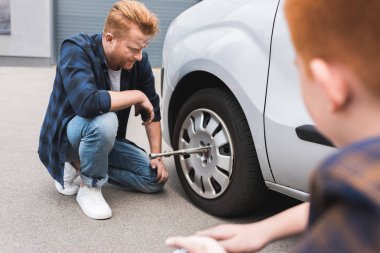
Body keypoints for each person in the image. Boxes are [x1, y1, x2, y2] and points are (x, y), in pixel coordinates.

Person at [166, 0, 380, 252]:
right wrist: (263, 230)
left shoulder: (354, 222)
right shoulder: (363, 172)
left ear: (329, 85)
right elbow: (347, 199)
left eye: (299, 72)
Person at [38, 0, 168, 220]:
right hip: (67, 139)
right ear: (109, 38)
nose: (139, 56)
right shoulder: (75, 49)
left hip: (101, 142)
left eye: (142, 49)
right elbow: (87, 103)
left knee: (153, 180)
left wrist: (157, 155)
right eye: (133, 49)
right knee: (104, 120)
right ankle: (89, 187)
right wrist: (137, 95)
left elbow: (152, 109)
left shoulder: (139, 62)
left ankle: (82, 166)